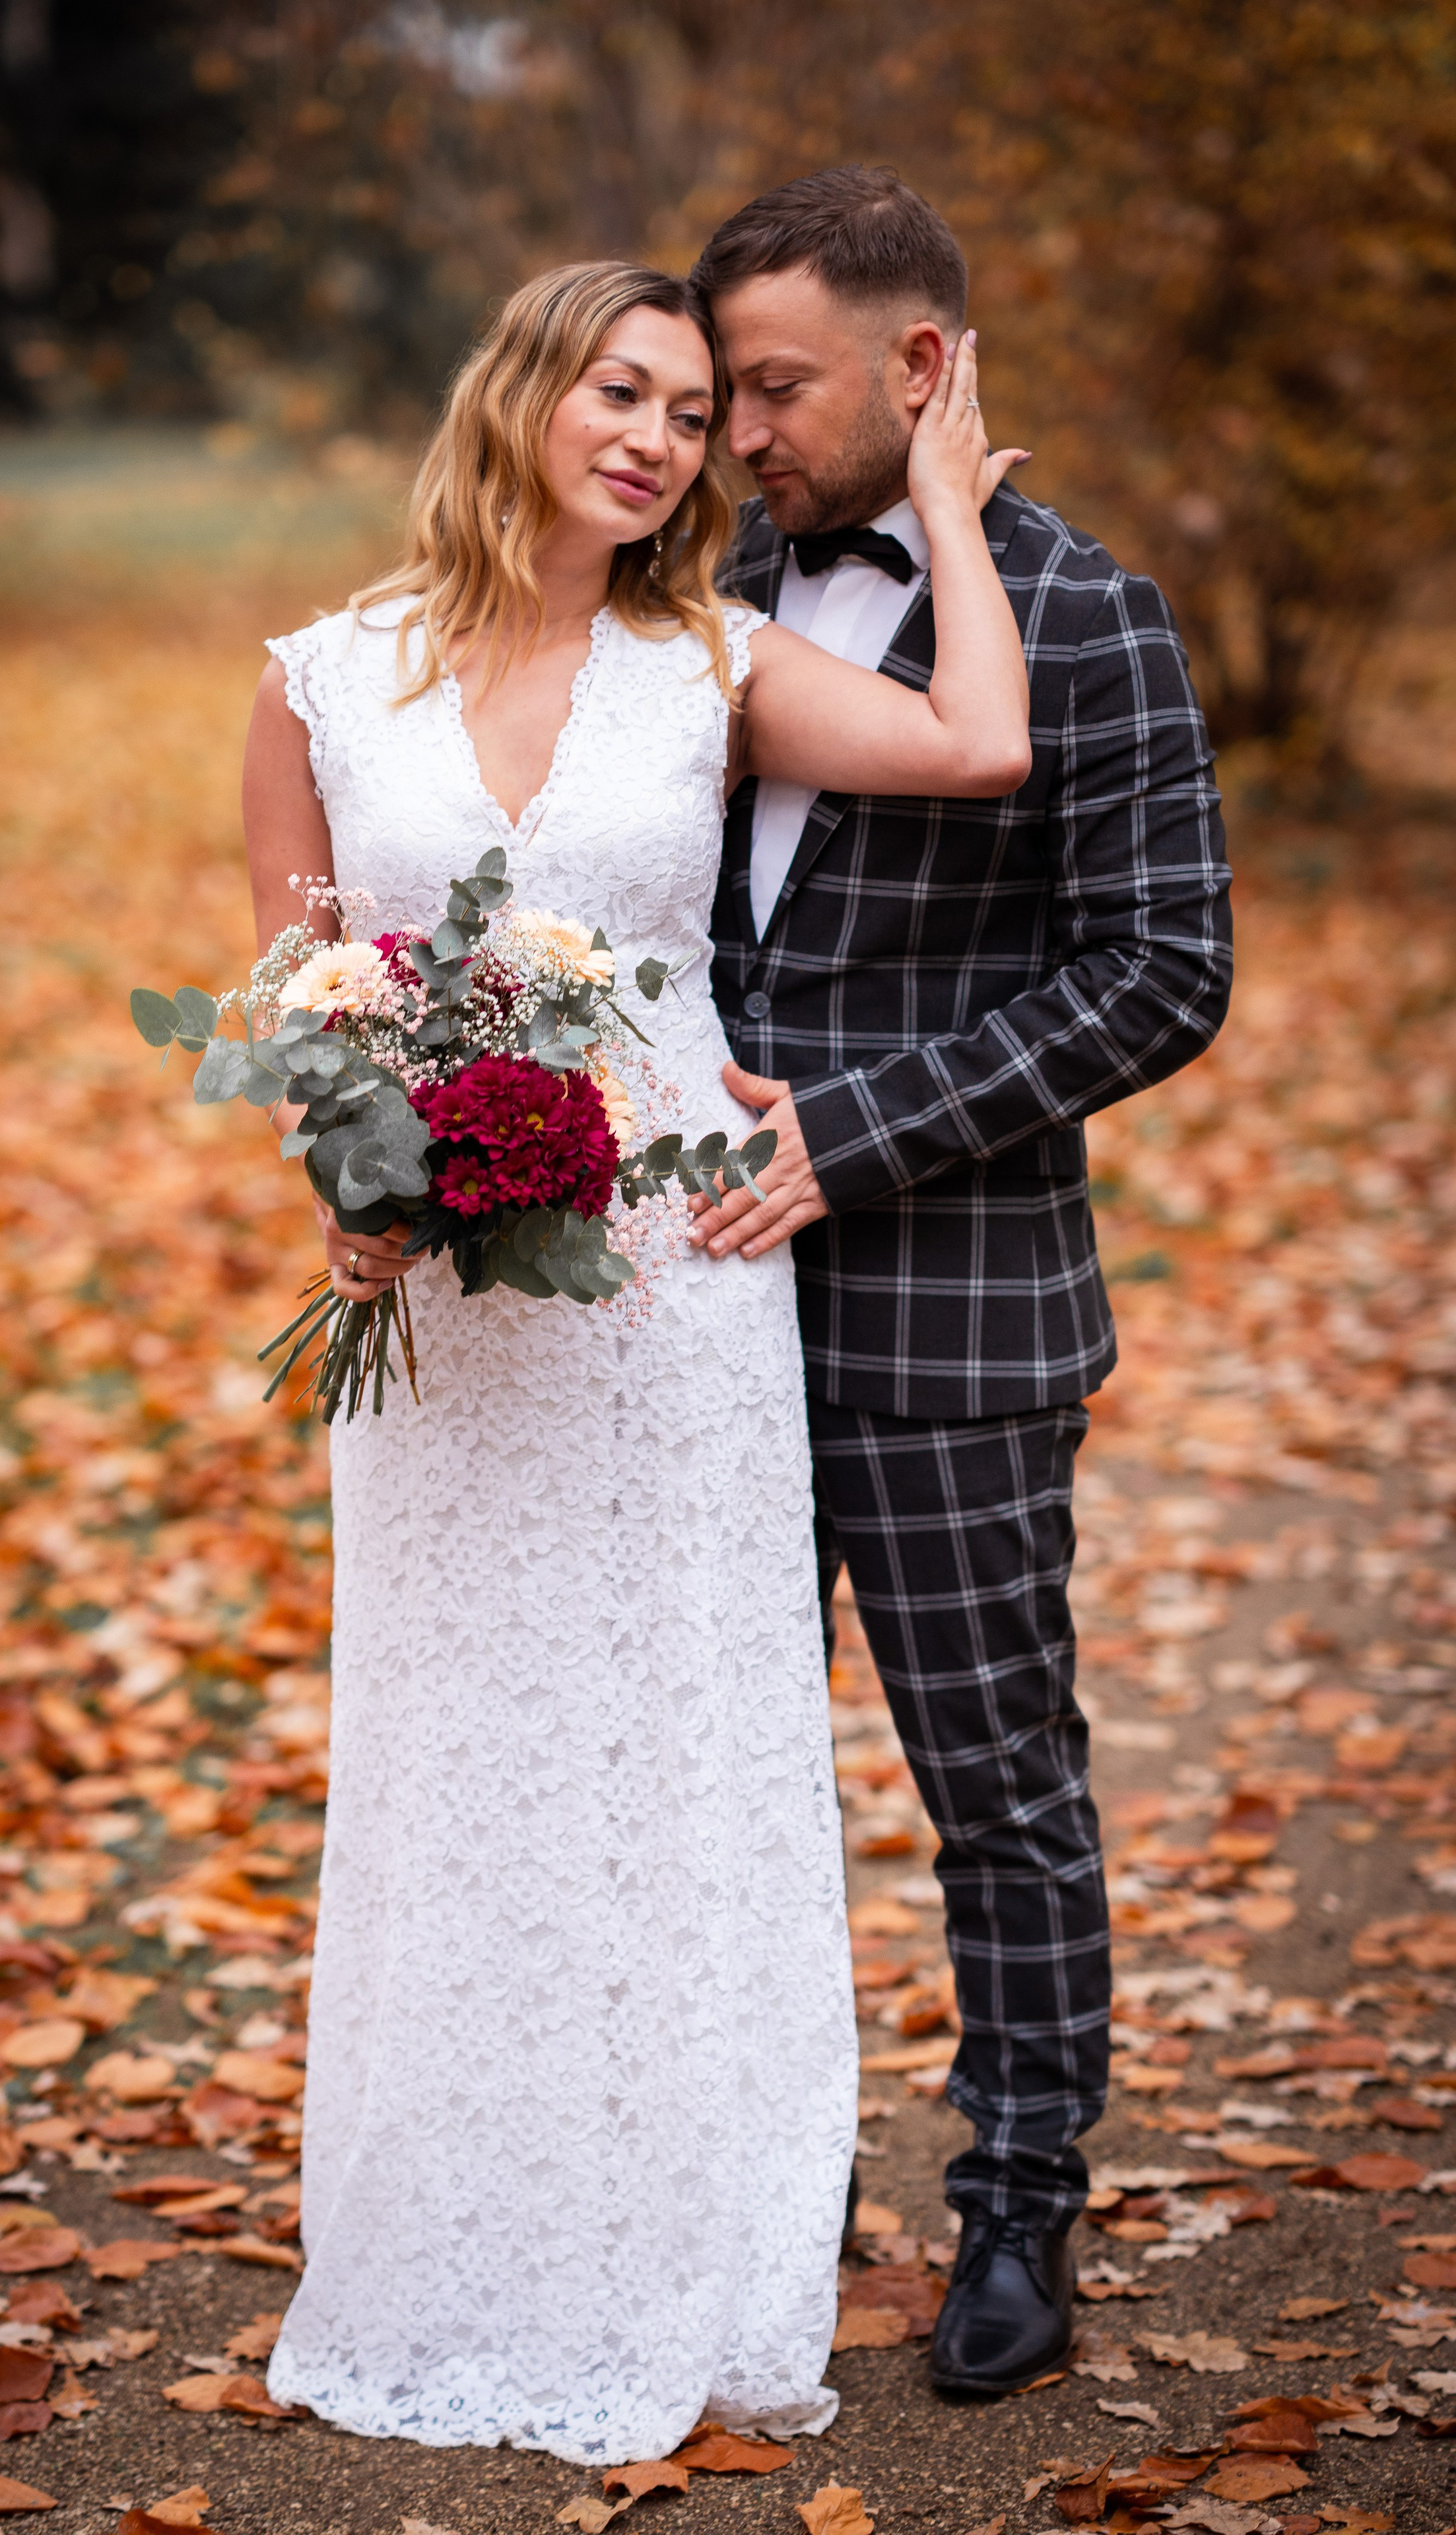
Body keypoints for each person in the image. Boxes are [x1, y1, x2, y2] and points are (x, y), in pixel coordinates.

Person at [240, 257, 1030, 2462]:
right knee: (460, 1747)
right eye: (624, 390)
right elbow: (304, 1000)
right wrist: (347, 1176)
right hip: (448, 1321)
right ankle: (451, 2235)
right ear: (523, 389)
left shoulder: (711, 661)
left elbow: (978, 745)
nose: (662, 442)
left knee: (676, 1742)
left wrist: (951, 503)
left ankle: (679, 2248)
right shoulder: (324, 677)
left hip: (675, 1282)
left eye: (692, 414)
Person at [685, 167, 1234, 2395]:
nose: (737, 437)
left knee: (994, 1778)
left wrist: (852, 1137)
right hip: (695, 1312)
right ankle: (763, 2171)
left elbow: (1164, 973)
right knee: (729, 1775)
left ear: (921, 370)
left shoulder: (1091, 617)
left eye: (774, 388)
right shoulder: (718, 587)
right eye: (720, 394)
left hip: (954, 1325)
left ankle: (1019, 2203)